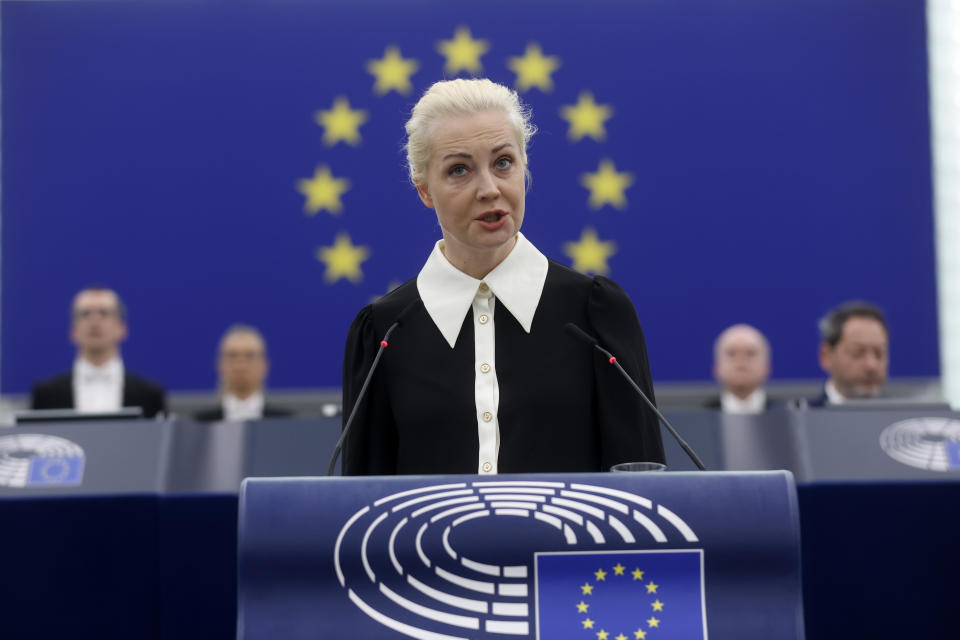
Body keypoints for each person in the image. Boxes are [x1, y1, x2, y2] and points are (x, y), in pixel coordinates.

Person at [342, 78, 664, 475]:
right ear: (425, 190)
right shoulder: (384, 332)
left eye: (503, 163)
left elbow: (643, 495)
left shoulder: (596, 313)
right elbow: (363, 513)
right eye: (459, 170)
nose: (489, 189)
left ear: (524, 166)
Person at [31, 286, 166, 417]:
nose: (94, 321)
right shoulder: (47, 393)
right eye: (85, 314)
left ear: (122, 328)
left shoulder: (149, 394)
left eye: (104, 313)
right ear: (73, 331)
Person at [194, 324, 293, 422]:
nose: (240, 366)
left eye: (249, 356)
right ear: (220, 365)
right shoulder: (201, 424)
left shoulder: (286, 422)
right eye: (232, 356)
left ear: (264, 365)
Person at [808, 301, 889, 407]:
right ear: (826, 356)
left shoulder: (901, 420)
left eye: (879, 353)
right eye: (857, 353)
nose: (871, 365)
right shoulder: (802, 419)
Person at [705, 324, 773, 414]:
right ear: (717, 368)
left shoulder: (787, 418)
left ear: (767, 367)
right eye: (731, 354)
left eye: (750, 353)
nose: (741, 361)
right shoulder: (699, 421)